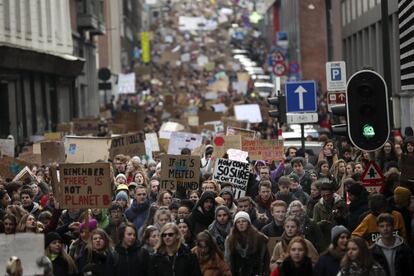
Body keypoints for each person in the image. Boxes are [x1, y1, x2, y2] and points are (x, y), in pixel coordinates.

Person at [225, 211, 269, 276]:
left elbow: (264, 258)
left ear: (248, 223)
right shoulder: (230, 240)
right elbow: (228, 260)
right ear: (235, 224)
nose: (241, 224)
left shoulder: (259, 238)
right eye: (238, 222)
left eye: (244, 221)